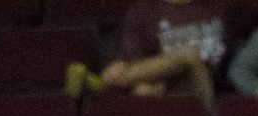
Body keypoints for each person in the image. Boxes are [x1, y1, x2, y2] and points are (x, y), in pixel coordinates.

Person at [77, 0, 230, 99]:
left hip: (211, 86)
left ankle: (100, 83)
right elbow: (132, 58)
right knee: (143, 90)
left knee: (190, 56)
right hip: (168, 83)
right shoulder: (144, 10)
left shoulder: (220, 6)